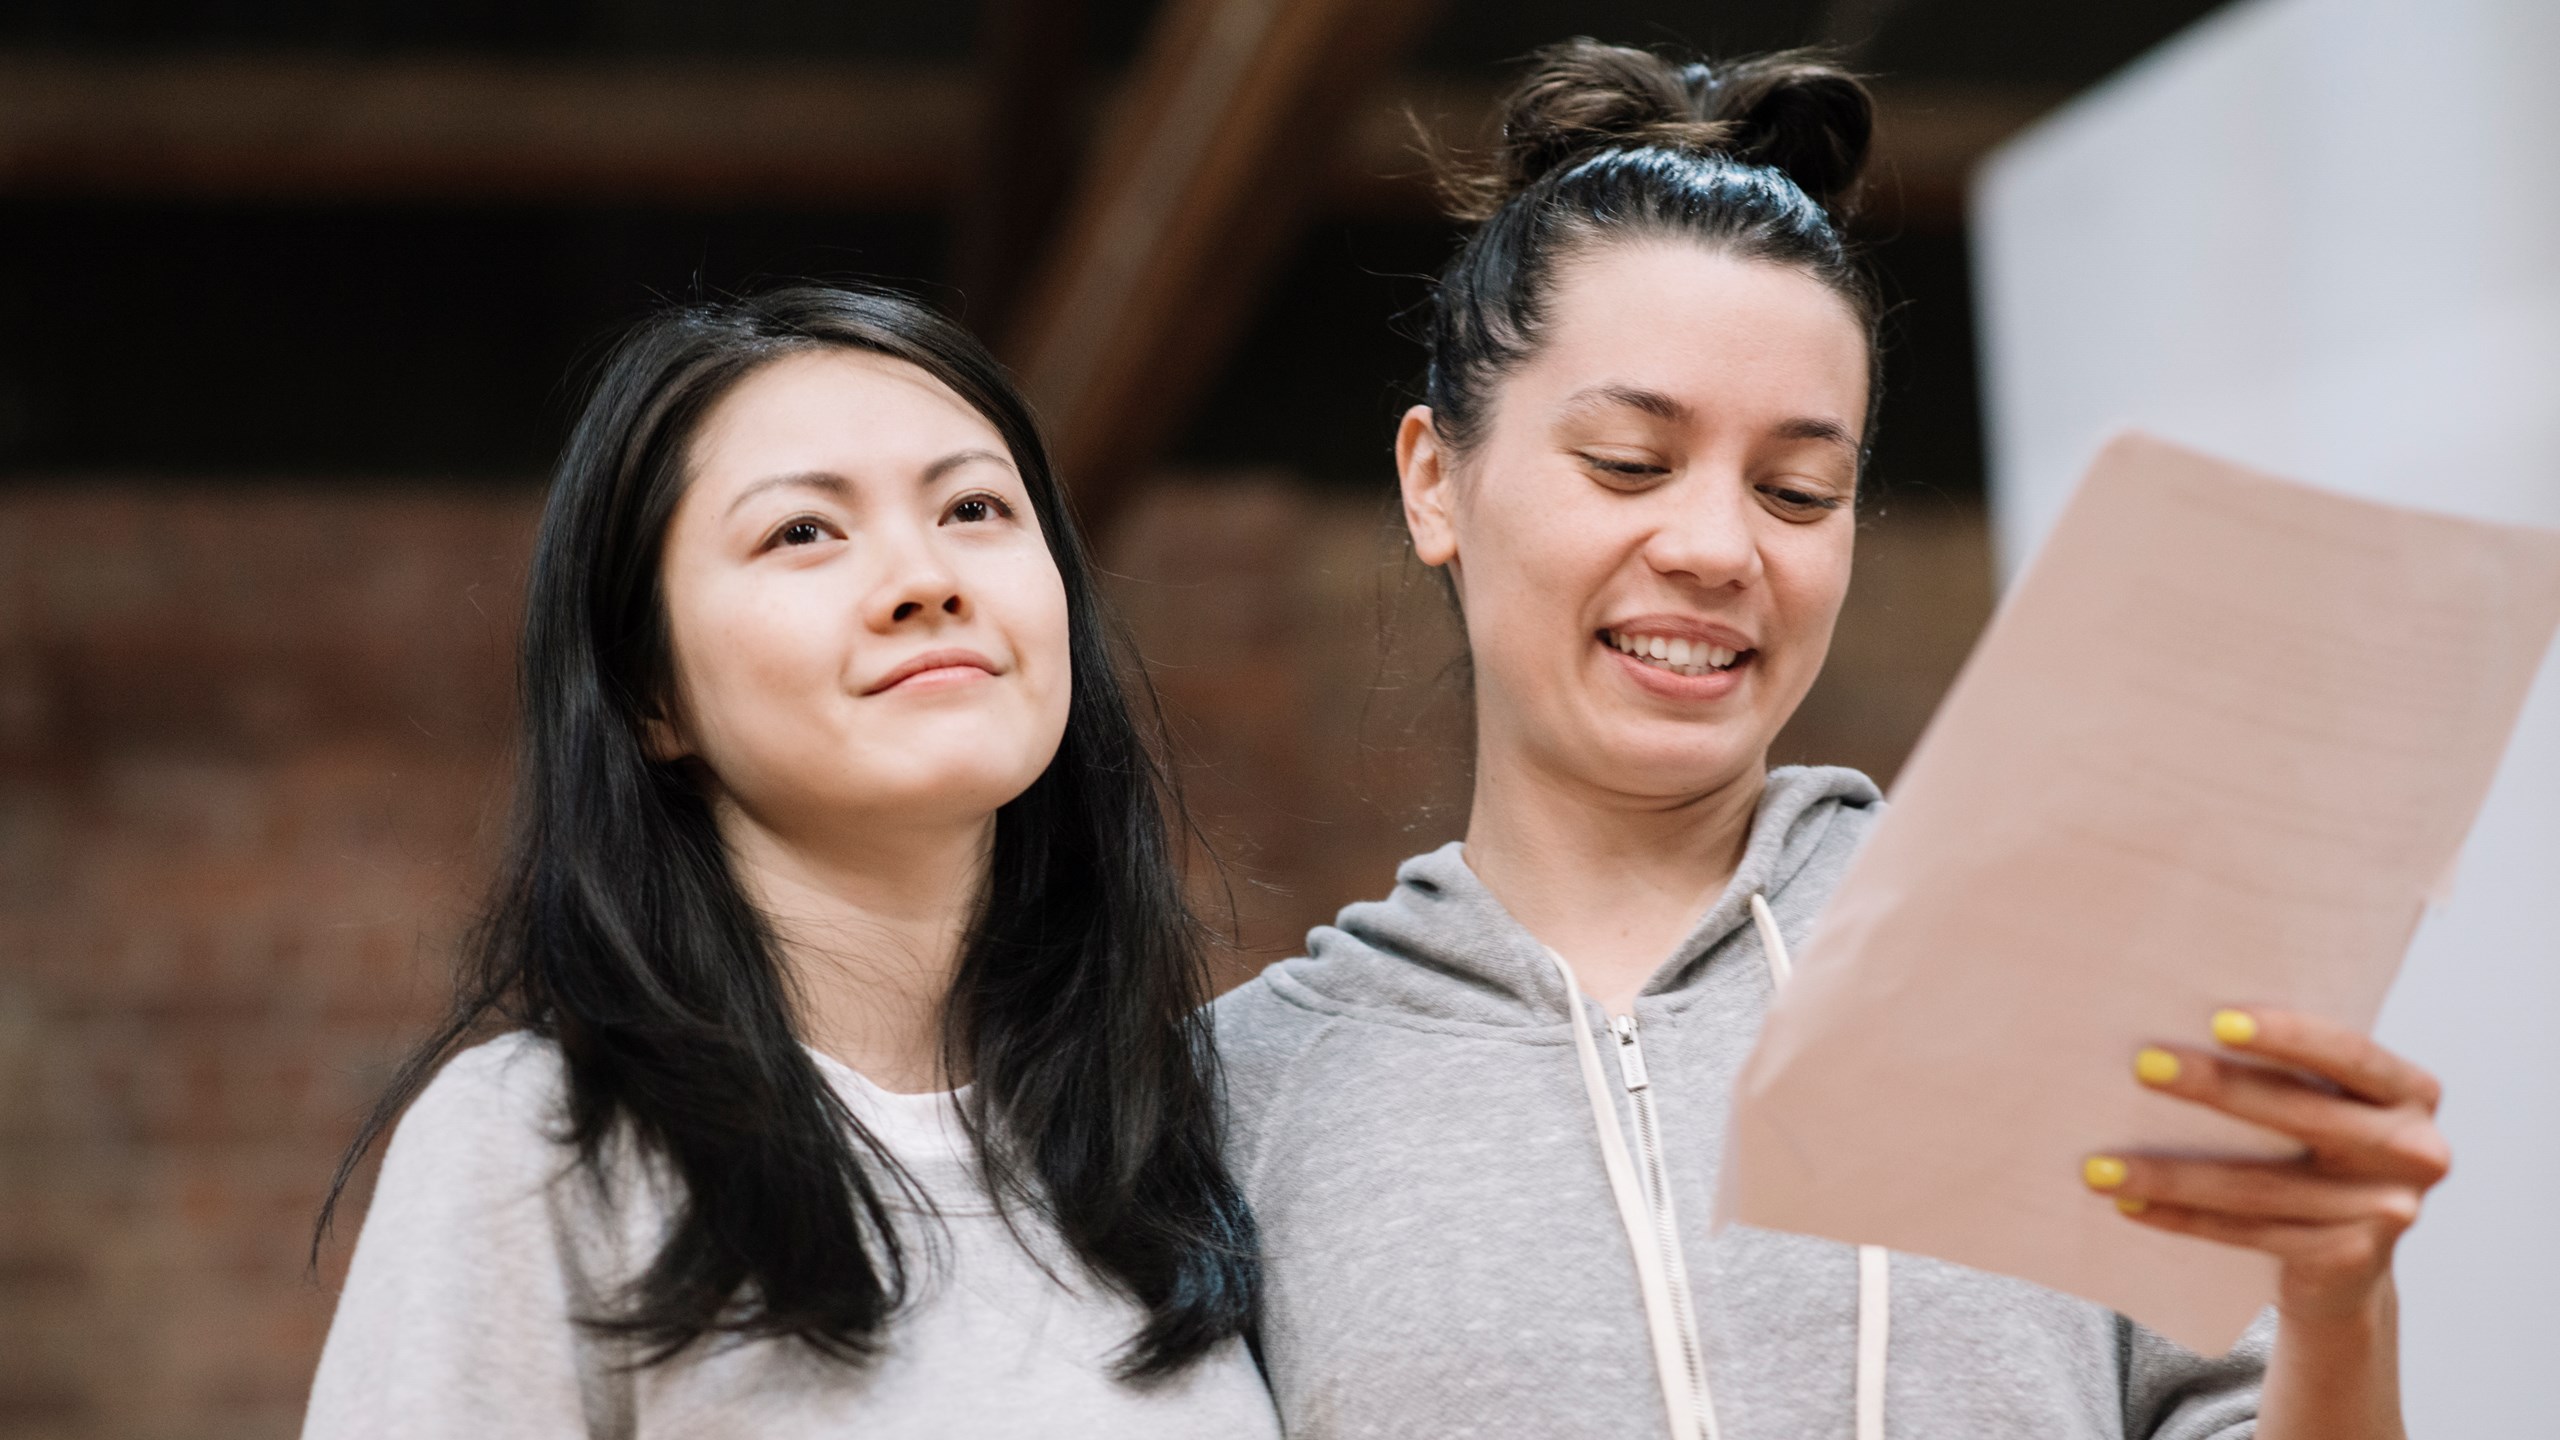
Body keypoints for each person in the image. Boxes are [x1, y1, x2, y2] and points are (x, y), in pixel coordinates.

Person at [1213, 41, 2447, 1440]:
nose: (1715, 547)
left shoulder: (2062, 981)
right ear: (1436, 481)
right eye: (1629, 463)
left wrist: (2343, 1307)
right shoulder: (1237, 1102)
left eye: (1798, 491)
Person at [303, 286, 1276, 1438]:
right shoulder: (543, 1150)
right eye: (801, 531)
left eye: (972, 506)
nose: (925, 578)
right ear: (651, 691)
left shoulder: (1196, 1133)